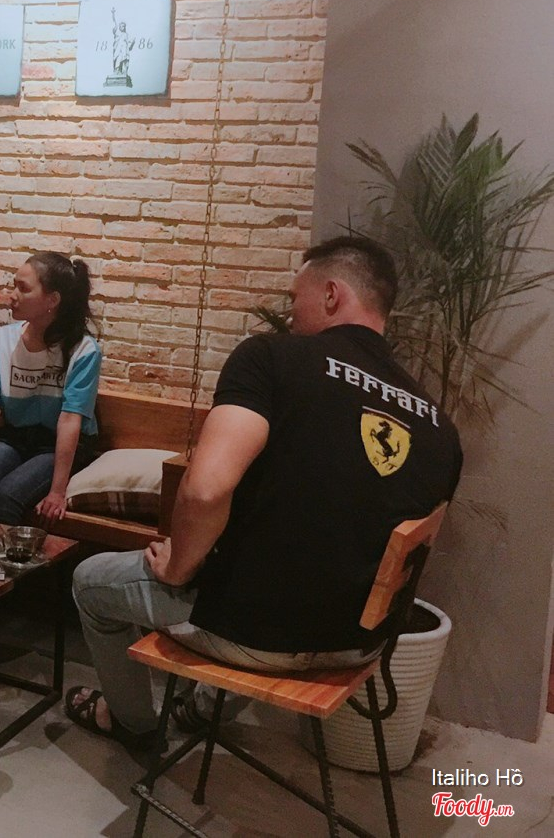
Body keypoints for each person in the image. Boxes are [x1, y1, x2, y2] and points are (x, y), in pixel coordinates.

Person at [66, 236, 463, 750]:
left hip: (252, 635)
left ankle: (134, 725)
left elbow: (205, 490)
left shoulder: (271, 358)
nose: (291, 314)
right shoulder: (440, 427)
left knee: (89, 581)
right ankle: (200, 713)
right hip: (360, 644)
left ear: (331, 294)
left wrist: (178, 567)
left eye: (296, 297)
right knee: (268, 578)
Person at [0, 251, 101, 525]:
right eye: (14, 286)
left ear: (52, 300)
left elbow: (70, 419)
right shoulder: (4, 340)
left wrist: (57, 491)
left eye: (23, 288)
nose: (12, 295)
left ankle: (7, 555)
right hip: (15, 437)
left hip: (58, 445)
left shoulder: (83, 350)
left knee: (6, 499)